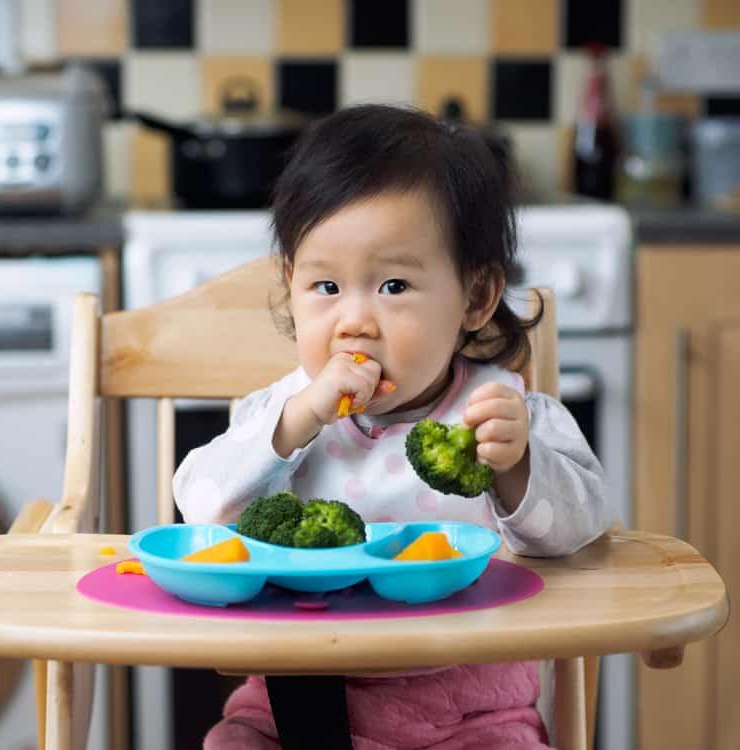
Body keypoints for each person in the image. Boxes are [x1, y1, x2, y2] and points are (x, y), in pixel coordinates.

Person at [173, 104, 614, 750]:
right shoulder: (281, 414)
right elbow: (202, 506)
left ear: (475, 296)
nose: (354, 321)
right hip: (298, 701)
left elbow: (583, 524)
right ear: (291, 285)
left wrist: (518, 467)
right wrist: (295, 422)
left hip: (470, 709)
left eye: (393, 286)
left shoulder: (498, 414)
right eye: (325, 285)